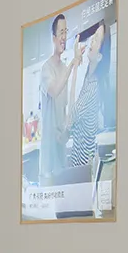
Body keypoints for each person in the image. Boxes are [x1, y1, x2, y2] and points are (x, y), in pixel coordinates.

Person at [39, 13, 84, 183]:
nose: (64, 37)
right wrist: (72, 64)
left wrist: (66, 131)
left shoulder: (64, 68)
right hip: (49, 160)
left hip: (61, 155)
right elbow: (54, 90)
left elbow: (65, 108)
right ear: (54, 38)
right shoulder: (46, 69)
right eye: (61, 33)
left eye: (66, 32)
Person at [65, 22, 109, 169]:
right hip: (79, 163)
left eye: (96, 39)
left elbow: (70, 119)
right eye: (93, 37)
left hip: (84, 166)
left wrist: (75, 63)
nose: (92, 40)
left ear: (100, 56)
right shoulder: (88, 77)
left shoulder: (93, 87)